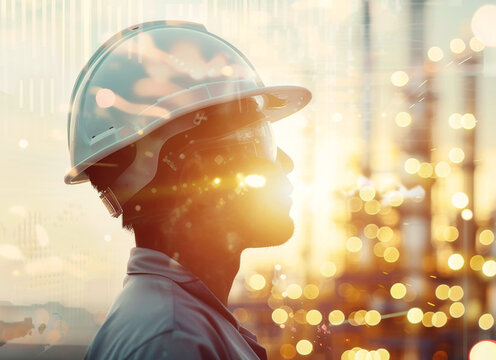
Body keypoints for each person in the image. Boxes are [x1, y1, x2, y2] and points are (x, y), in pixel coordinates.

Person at [64, 21, 311, 360]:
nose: (286, 163)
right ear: (194, 177)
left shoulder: (179, 323)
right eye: (256, 143)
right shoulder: (172, 341)